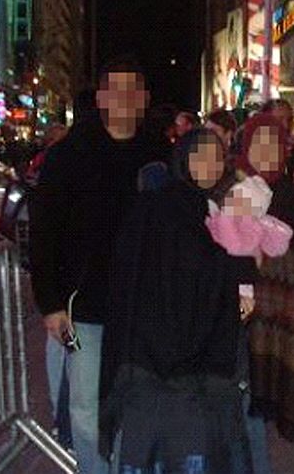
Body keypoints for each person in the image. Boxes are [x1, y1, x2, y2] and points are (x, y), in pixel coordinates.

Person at [29, 60, 160, 474]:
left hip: (144, 309)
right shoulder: (68, 156)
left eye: (132, 91)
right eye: (114, 90)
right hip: (82, 308)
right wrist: (50, 303)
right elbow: (44, 232)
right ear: (101, 97)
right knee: (84, 405)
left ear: (144, 100)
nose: (123, 99)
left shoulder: (160, 157)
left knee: (137, 403)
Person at [101, 129, 249, 473]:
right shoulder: (163, 207)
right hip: (166, 367)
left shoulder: (208, 209)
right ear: (183, 160)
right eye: (200, 156)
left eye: (216, 157)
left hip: (172, 363)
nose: (210, 164)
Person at [233, 112, 294, 457]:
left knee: (255, 399)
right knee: (241, 403)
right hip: (241, 313)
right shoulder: (231, 187)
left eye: (275, 143)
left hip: (284, 311)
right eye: (259, 142)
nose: (267, 151)